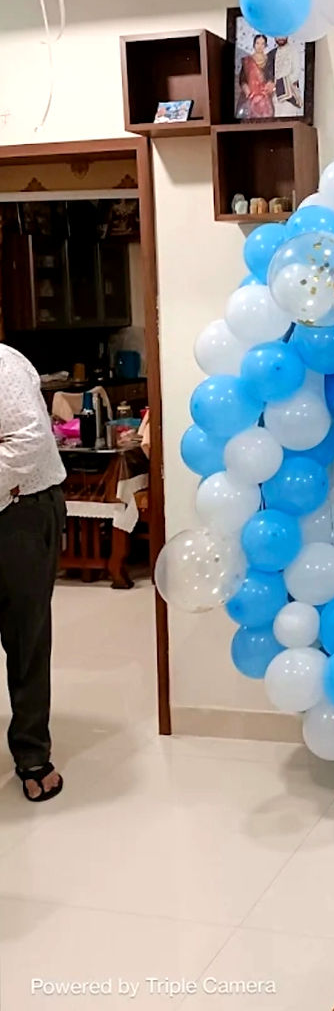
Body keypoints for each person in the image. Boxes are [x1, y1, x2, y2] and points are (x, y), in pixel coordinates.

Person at [0, 344, 67, 802]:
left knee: (25, 636)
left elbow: (29, 439)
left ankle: (31, 755)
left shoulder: (3, 365)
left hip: (19, 514)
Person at [236, 34, 276, 119]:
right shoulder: (247, 61)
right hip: (249, 96)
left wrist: (271, 84)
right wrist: (245, 87)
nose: (260, 46)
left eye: (262, 44)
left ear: (265, 46)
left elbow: (272, 76)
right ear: (254, 45)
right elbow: (242, 78)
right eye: (257, 43)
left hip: (265, 97)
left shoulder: (269, 60)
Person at [267, 37, 302, 116]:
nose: (280, 38)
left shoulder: (293, 51)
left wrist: (277, 85)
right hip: (275, 96)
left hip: (289, 94)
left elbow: (295, 73)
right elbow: (268, 74)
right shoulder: (272, 54)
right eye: (278, 35)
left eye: (283, 35)